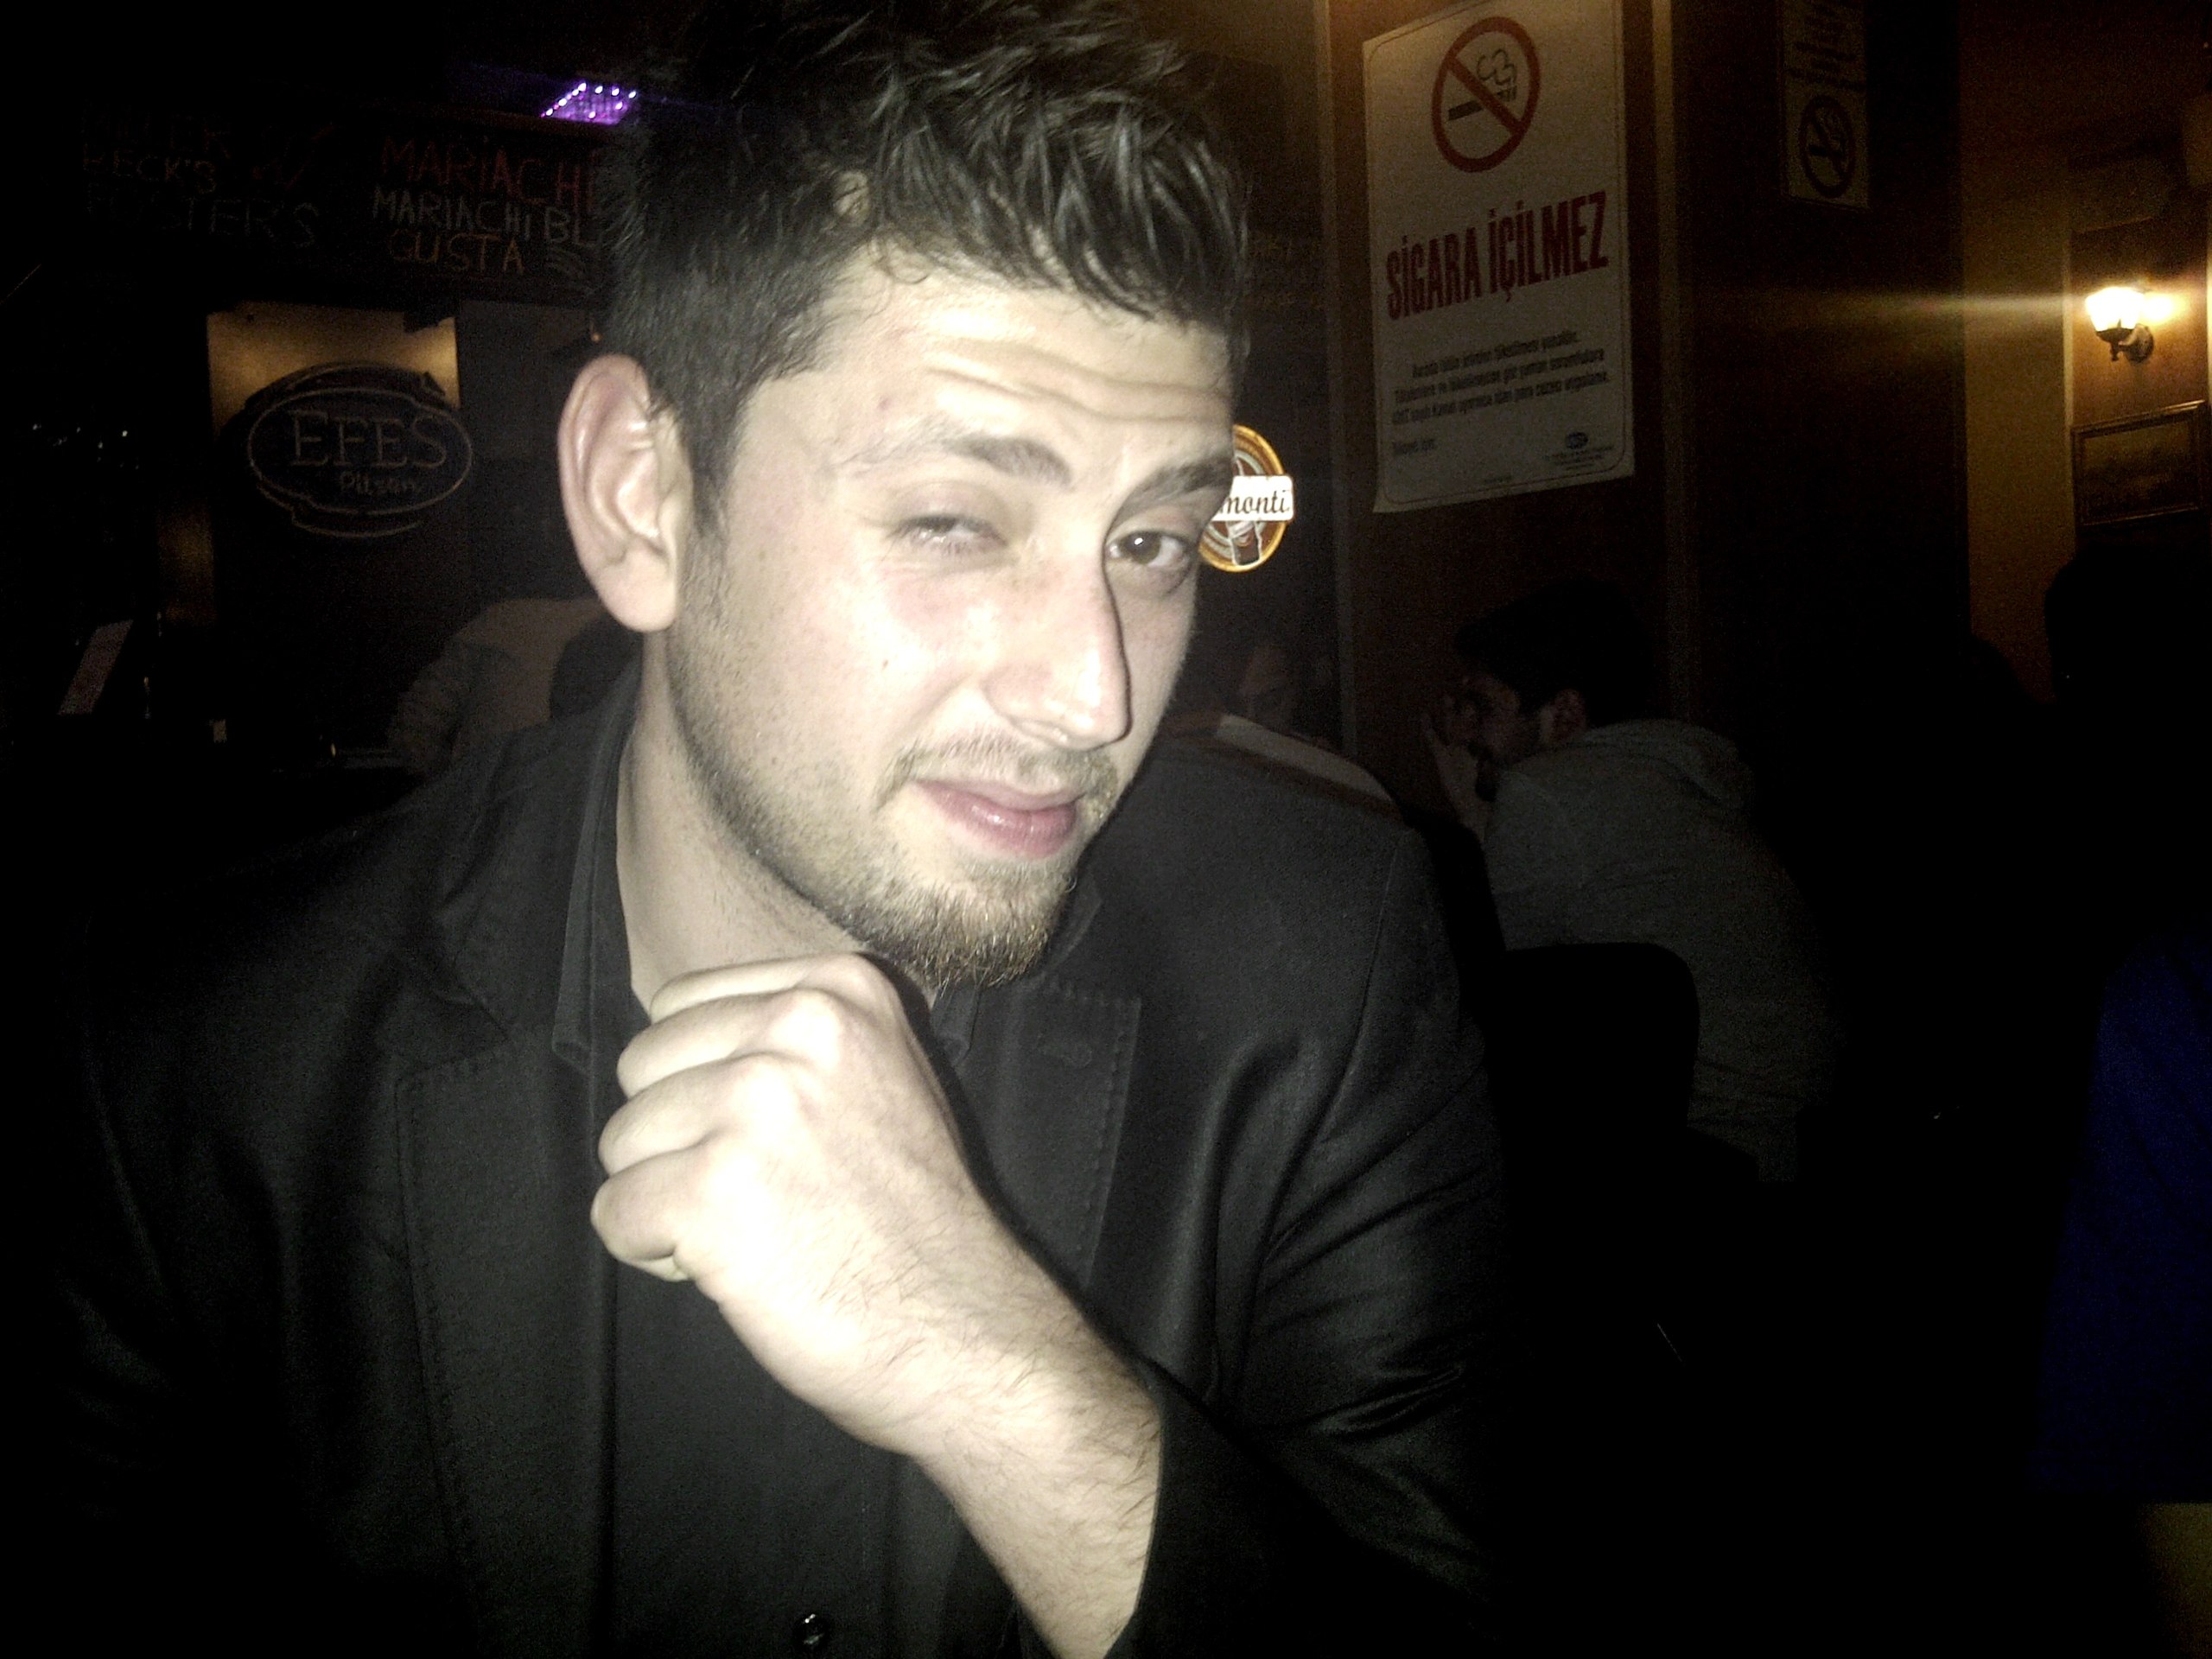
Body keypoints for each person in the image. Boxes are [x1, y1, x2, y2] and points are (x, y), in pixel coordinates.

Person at [53, 4, 1500, 1654]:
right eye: (954, 522)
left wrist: (1003, 1378)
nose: (1098, 694)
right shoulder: (197, 1066)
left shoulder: (1321, 969)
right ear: (642, 496)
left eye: (1153, 542)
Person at [1435, 578, 1837, 1181]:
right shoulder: (1657, 772)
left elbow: (1500, 1010)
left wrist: (1472, 818)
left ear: (1564, 715)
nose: (1463, 733)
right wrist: (1476, 816)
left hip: (1726, 1148)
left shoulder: (1548, 790)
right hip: (1806, 1129)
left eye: (1485, 709)